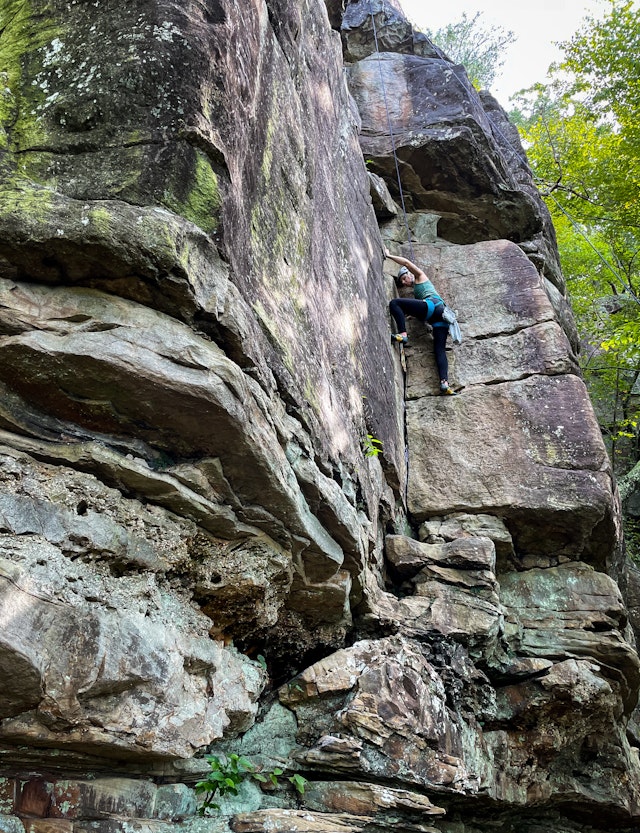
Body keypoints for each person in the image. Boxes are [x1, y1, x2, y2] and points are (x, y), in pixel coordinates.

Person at [384, 248, 456, 396]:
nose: (404, 282)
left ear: (410, 274)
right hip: (441, 318)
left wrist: (388, 255)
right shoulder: (418, 290)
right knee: (439, 350)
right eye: (402, 281)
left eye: (404, 278)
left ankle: (403, 334)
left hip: (433, 307)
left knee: (395, 303)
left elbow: (406, 263)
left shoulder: (420, 277)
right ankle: (444, 383)